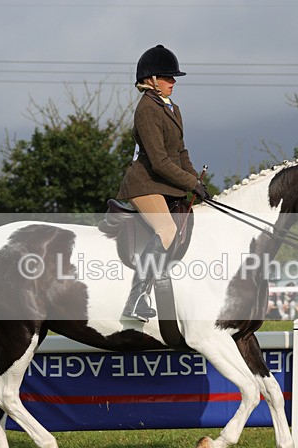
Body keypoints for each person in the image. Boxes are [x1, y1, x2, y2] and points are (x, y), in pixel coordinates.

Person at [116, 44, 210, 322]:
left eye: (173, 78)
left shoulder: (172, 108)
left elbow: (180, 153)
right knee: (167, 228)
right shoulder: (147, 110)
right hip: (144, 183)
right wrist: (191, 182)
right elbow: (158, 161)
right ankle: (137, 297)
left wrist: (198, 182)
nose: (173, 82)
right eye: (168, 77)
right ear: (152, 79)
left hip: (165, 182)